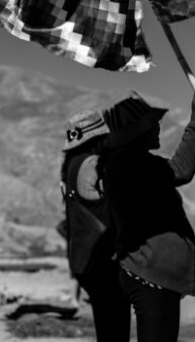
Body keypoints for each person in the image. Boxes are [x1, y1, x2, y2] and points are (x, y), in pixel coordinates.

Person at [96, 90, 195, 342]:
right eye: (153, 124)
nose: (158, 128)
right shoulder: (130, 163)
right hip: (151, 275)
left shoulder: (124, 163)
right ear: (138, 131)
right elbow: (181, 170)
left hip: (146, 271)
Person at [59, 108, 128, 342]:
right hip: (102, 260)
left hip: (82, 260)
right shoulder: (93, 164)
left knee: (106, 328)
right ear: (98, 138)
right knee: (116, 328)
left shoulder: (69, 166)